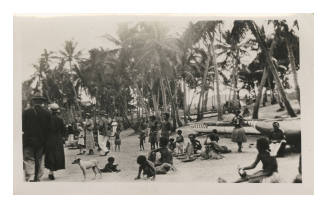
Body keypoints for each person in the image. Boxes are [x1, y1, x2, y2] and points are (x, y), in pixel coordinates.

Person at [22, 94, 51, 182]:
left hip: (28, 140)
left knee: (29, 158)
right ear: (42, 102)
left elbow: (23, 127)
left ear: (33, 101)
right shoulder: (47, 113)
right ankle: (38, 177)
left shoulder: (26, 112)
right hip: (41, 141)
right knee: (40, 159)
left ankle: (30, 176)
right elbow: (49, 129)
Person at [44, 103, 65, 180]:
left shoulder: (47, 119)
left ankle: (51, 172)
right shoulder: (60, 119)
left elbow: (45, 130)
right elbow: (63, 131)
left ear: (50, 110)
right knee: (56, 156)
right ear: (57, 111)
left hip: (49, 139)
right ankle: (51, 172)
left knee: (50, 155)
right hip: (58, 140)